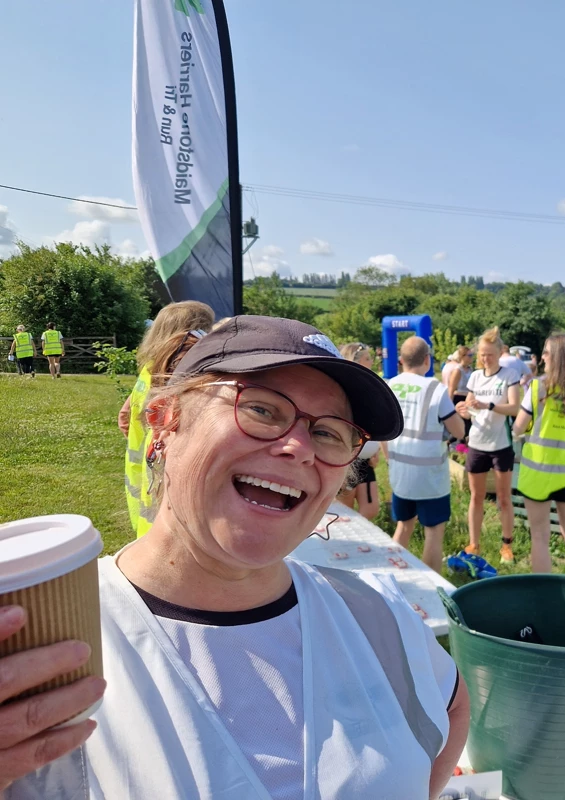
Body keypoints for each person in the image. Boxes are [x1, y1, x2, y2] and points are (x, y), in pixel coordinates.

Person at [1, 316, 470, 799]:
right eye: (263, 410)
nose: (299, 447)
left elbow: (453, 704)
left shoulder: (377, 618)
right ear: (163, 421)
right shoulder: (48, 642)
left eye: (330, 433)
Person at [118, 300, 215, 538]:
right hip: (170, 463)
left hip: (148, 464)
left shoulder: (151, 367)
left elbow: (124, 417)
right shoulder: (187, 361)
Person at [513, 334, 565, 576]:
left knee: (539, 536)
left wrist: (521, 430)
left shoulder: (538, 387)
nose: (543, 357)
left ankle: (543, 595)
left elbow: (519, 427)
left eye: (547, 352)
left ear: (559, 357)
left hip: (537, 474)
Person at [384, 336, 465, 573]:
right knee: (434, 533)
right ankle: (432, 590)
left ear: (401, 360)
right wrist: (458, 413)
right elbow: (458, 431)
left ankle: (395, 579)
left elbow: (384, 434)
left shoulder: (390, 385)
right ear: (427, 360)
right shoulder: (435, 389)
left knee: (403, 526)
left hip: (400, 472)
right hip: (430, 478)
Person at [456, 327, 520, 562]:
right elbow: (470, 412)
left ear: (499, 353)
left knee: (503, 498)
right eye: (482, 354)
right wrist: (462, 410)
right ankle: (474, 544)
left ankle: (507, 545)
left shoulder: (509, 375)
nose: (485, 358)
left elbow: (514, 408)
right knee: (476, 497)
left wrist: (489, 406)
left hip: (501, 444)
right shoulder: (474, 377)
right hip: (477, 443)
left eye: (490, 354)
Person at [338, 342, 381, 519]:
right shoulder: (345, 388)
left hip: (366, 458)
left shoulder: (373, 386)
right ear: (355, 360)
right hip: (348, 458)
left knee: (370, 509)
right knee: (344, 513)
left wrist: (376, 450)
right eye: (368, 358)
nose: (372, 361)